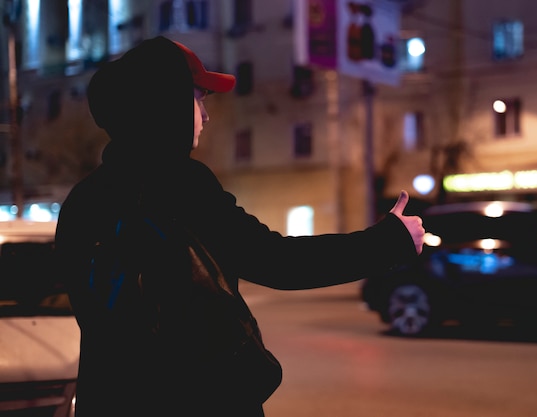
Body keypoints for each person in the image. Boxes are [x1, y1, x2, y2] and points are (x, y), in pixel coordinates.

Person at [55, 36, 425, 417]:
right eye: (198, 98)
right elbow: (276, 261)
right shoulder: (182, 183)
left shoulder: (82, 201)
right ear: (165, 103)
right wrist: (389, 241)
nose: (206, 114)